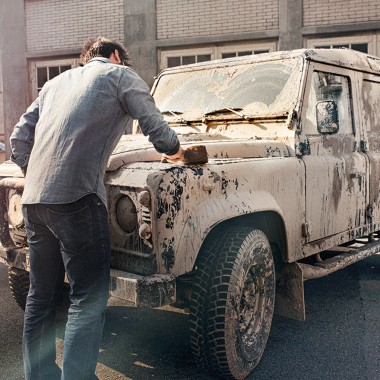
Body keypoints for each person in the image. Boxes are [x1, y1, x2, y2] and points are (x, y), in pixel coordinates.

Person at [10, 37, 185, 380]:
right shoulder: (121, 76)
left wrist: (38, 175)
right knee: (86, 300)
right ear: (116, 56)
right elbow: (159, 133)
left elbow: (18, 139)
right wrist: (176, 150)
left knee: (41, 297)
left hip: (33, 201)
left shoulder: (53, 84)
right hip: (78, 201)